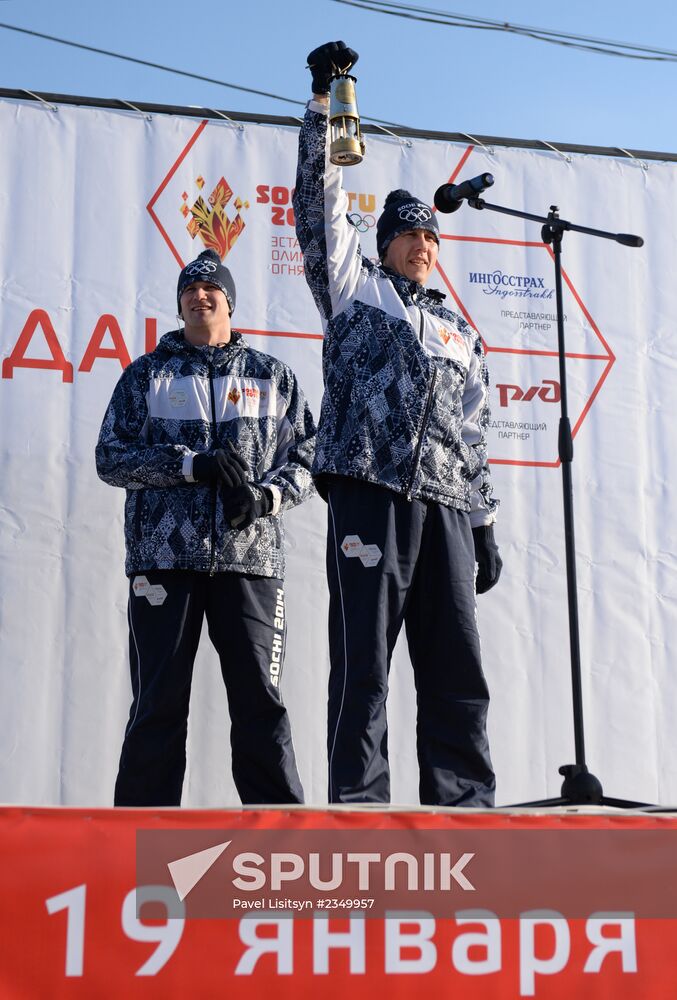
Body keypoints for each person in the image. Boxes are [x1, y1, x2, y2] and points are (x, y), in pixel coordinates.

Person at [293, 42, 502, 807]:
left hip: (446, 508)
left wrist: (483, 524)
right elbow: (317, 210)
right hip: (369, 491)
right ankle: (359, 805)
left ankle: (463, 805)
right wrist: (324, 105)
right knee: (363, 664)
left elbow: (474, 434)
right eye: (410, 234)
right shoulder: (356, 292)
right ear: (384, 243)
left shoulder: (457, 329)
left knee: (456, 668)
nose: (423, 243)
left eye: (431, 236)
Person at [96, 248, 316, 806]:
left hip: (251, 564)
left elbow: (312, 456)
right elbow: (110, 457)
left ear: (229, 301)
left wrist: (266, 498)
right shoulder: (146, 375)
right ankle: (138, 837)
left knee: (261, 702)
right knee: (157, 703)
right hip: (163, 562)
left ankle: (280, 839)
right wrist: (188, 465)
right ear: (178, 305)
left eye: (210, 288)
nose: (200, 295)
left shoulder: (273, 376)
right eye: (189, 289)